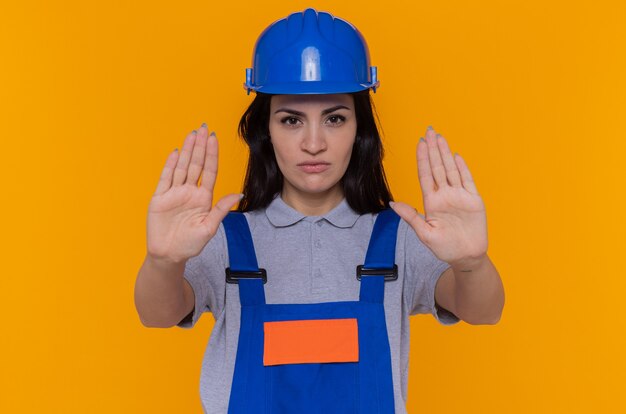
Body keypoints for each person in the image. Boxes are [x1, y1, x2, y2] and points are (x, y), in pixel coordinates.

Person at [134, 8, 504, 414]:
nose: (313, 143)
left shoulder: (399, 239)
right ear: (265, 131)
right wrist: (162, 261)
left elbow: (483, 311)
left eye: (334, 118)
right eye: (291, 120)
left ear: (359, 129)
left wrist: (471, 263)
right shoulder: (223, 238)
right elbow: (157, 315)